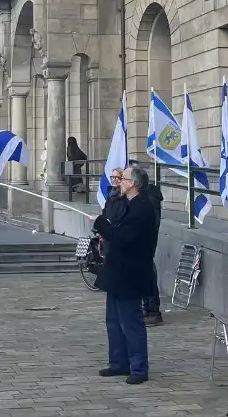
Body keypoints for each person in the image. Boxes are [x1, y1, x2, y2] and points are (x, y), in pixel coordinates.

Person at [93, 165, 159, 385]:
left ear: (134, 184)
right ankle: (119, 362)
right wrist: (103, 221)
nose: (119, 181)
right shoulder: (126, 203)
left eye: (123, 178)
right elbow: (112, 222)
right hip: (116, 270)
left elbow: (122, 236)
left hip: (131, 272)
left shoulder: (142, 208)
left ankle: (139, 368)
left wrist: (100, 224)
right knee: (113, 320)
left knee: (130, 321)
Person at [142, 179, 165, 326]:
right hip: (143, 241)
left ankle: (154, 310)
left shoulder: (149, 198)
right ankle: (148, 307)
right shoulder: (146, 196)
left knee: (148, 275)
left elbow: (152, 223)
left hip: (146, 242)